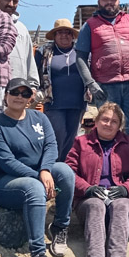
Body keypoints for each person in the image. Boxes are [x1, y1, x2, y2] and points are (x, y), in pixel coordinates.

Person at [0, 78, 75, 257]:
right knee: (35, 188)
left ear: (30, 98)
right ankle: (37, 254)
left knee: (65, 172)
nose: (19, 97)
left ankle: (60, 227)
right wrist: (39, 177)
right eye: (15, 92)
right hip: (5, 182)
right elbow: (7, 162)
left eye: (25, 93)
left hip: (39, 172)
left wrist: (45, 169)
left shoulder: (39, 118)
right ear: (6, 95)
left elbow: (51, 146)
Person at [65, 103, 129, 257]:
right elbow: (69, 170)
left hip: (118, 194)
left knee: (121, 206)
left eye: (114, 121)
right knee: (96, 206)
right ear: (96, 121)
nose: (108, 124)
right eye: (105, 119)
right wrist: (87, 188)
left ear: (119, 126)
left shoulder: (128, 143)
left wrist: (126, 188)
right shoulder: (81, 143)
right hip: (89, 197)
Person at [75, 0, 129, 173]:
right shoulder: (90, 25)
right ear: (99, 2)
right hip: (105, 86)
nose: (109, 2)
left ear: (119, 2)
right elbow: (80, 57)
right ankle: (111, 169)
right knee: (108, 128)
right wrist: (90, 83)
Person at [35, 19, 87, 162]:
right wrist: (36, 89)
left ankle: (66, 169)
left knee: (72, 138)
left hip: (77, 103)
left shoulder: (81, 51)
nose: (64, 36)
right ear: (55, 35)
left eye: (67, 32)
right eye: (60, 33)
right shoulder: (43, 52)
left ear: (72, 35)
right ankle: (51, 167)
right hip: (54, 103)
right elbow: (34, 72)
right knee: (57, 135)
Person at [0, 0, 40, 90]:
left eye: (15, 1)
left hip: (18, 89)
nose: (11, 4)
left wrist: (33, 85)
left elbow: (29, 58)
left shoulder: (21, 28)